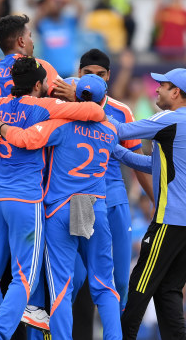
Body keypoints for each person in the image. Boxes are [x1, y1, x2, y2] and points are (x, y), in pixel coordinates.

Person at [0, 57, 106, 340]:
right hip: (26, 202)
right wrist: (72, 97)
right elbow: (95, 113)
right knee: (26, 276)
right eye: (44, 83)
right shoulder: (45, 106)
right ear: (37, 85)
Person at [0, 74, 121, 339]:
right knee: (105, 284)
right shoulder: (111, 129)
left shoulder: (60, 125)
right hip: (94, 206)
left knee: (61, 285)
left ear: (73, 97)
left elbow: (25, 139)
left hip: (62, 206)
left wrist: (0, 127)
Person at [51, 49, 153, 328]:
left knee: (120, 280)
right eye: (87, 74)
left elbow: (135, 162)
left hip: (114, 199)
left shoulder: (121, 110)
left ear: (108, 77)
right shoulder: (61, 102)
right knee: (78, 277)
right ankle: (56, 331)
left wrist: (155, 199)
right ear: (78, 73)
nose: (93, 79)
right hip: (82, 200)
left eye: (99, 74)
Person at [109, 68, 186, 339]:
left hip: (171, 217)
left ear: (176, 92)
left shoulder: (171, 118)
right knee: (168, 290)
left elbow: (120, 129)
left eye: (162, 85)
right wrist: (115, 150)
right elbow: (150, 164)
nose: (156, 90)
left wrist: (91, 114)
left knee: (140, 283)